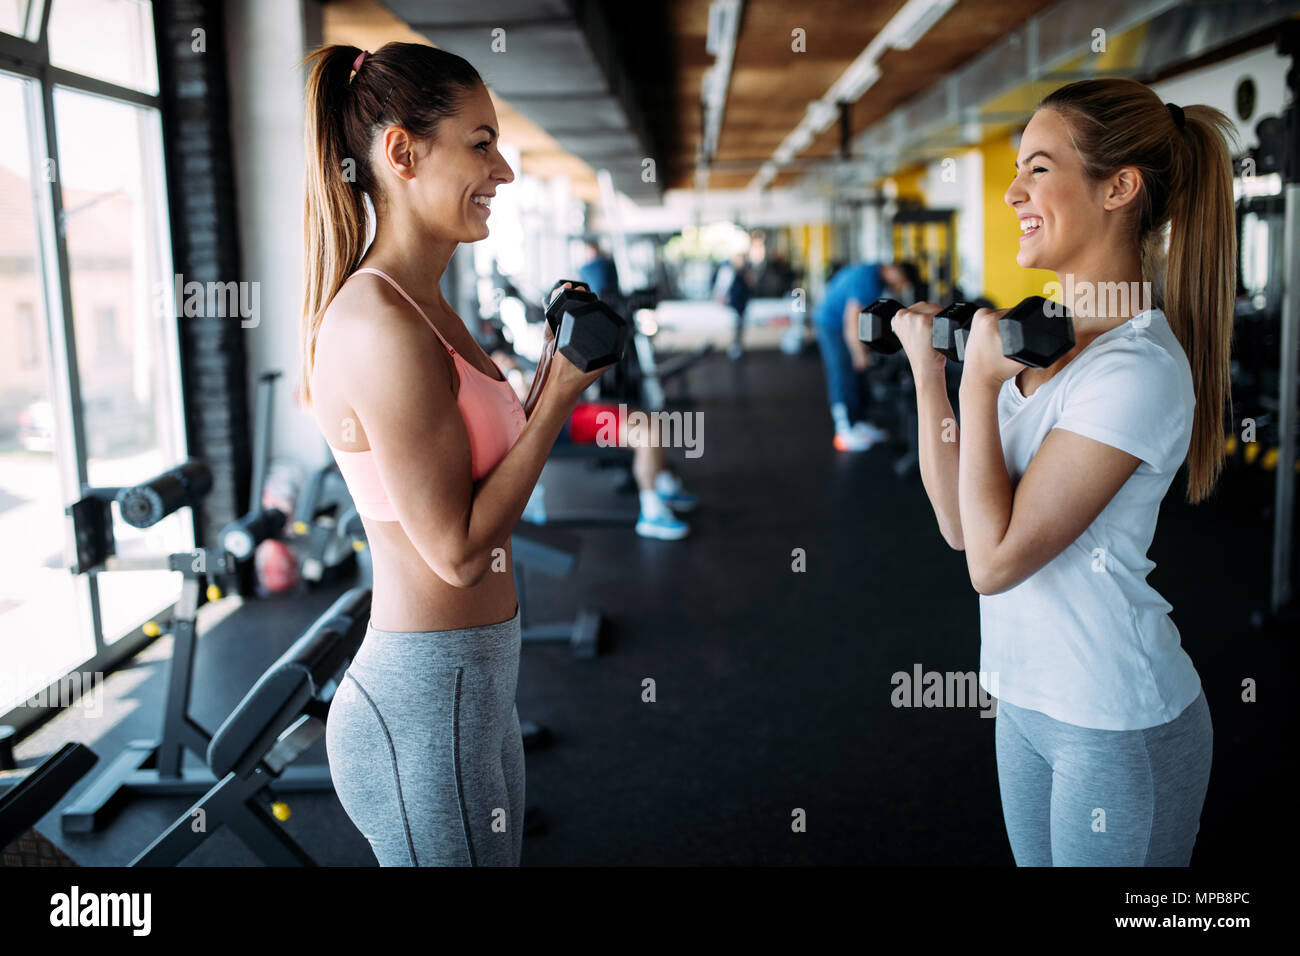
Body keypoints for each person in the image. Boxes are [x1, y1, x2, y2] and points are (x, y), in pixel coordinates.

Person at [891, 78, 1231, 865]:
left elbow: (994, 563)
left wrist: (977, 383)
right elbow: (959, 525)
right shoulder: (1038, 343)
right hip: (1025, 700)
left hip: (1116, 718)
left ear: (1119, 187)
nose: (1013, 191)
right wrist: (929, 376)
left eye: (1037, 169)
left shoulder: (1136, 369)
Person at [300, 42, 610, 866]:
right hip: (423, 704)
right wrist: (562, 394)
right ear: (402, 153)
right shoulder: (380, 323)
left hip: (474, 685)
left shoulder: (427, 303)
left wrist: (553, 368)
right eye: (481, 143)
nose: (503, 171)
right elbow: (460, 552)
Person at [812, 260, 906, 451]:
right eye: (900, 280)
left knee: (857, 373)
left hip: (839, 324)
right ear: (893, 270)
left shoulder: (873, 275)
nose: (899, 285)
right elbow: (851, 322)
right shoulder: (868, 279)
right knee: (842, 371)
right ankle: (844, 431)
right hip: (831, 325)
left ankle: (859, 423)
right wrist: (859, 354)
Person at [713, 251, 752, 360]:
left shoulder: (743, 272)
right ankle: (734, 349)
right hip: (734, 305)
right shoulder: (728, 272)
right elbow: (721, 288)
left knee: (740, 327)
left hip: (741, 304)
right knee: (735, 327)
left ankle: (738, 348)